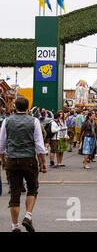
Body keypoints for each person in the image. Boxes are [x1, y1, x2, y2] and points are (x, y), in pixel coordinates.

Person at [0, 97, 48, 232]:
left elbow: (2, 144)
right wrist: (43, 162)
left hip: (12, 159)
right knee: (32, 188)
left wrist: (3, 160)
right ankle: (28, 215)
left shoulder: (7, 121)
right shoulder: (34, 121)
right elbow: (39, 144)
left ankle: (15, 225)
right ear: (28, 107)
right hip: (29, 159)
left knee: (14, 192)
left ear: (15, 106)